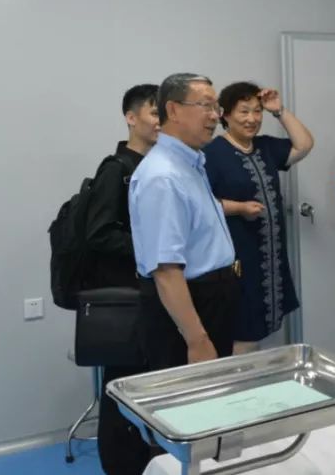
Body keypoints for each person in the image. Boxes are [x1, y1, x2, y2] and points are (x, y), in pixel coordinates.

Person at [130, 73, 239, 379]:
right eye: (205, 106)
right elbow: (166, 270)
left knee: (215, 395)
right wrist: (197, 340)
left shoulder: (190, 163)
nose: (215, 116)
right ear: (173, 110)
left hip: (212, 299)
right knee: (193, 399)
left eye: (216, 107)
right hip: (188, 309)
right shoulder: (163, 176)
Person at [204, 82, 314, 354]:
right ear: (225, 115)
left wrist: (279, 110)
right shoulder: (211, 154)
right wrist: (239, 208)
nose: (252, 119)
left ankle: (256, 377)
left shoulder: (264, 146)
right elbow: (200, 205)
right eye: (244, 111)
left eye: (257, 111)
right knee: (243, 331)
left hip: (270, 258)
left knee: (262, 329)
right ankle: (239, 379)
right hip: (236, 260)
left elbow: (304, 145)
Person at [88, 84, 161, 475]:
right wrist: (153, 244)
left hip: (154, 292)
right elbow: (99, 234)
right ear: (131, 118)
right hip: (127, 298)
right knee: (122, 386)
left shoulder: (157, 165)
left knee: (152, 385)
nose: (160, 122)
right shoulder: (116, 170)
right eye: (154, 113)